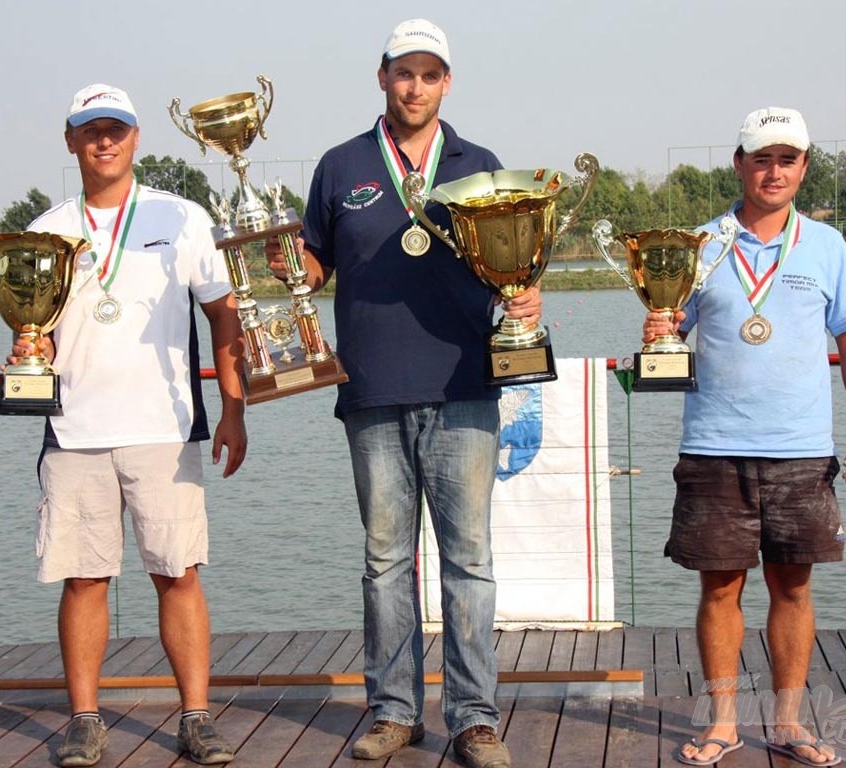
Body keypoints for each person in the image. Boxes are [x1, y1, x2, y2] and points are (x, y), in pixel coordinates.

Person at [265, 19, 540, 768]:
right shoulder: (339, 164)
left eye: (428, 74)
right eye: (401, 73)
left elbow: (515, 260)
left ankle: (474, 718)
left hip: (464, 386)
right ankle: (392, 711)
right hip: (372, 387)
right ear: (381, 77)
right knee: (386, 561)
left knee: (469, 562)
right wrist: (288, 261)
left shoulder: (478, 164)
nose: (414, 87)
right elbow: (313, 270)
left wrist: (525, 299)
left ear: (446, 82)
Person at [9, 84, 247, 767]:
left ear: (137, 138)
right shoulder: (48, 229)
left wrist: (233, 409)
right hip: (74, 429)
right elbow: (38, 328)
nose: (104, 141)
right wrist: (27, 350)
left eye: (116, 129)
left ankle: (196, 716)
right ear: (70, 140)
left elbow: (224, 315)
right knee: (83, 580)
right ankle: (84, 719)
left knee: (178, 574)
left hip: (164, 429)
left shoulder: (182, 218)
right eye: (91, 130)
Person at [642, 107, 846, 767]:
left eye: (787, 159)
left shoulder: (825, 245)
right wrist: (659, 338)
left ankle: (787, 722)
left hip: (802, 448)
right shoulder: (695, 243)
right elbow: (670, 330)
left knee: (792, 587)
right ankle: (721, 722)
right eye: (760, 158)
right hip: (714, 445)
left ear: (803, 166)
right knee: (718, 588)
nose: (773, 171)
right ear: (738, 163)